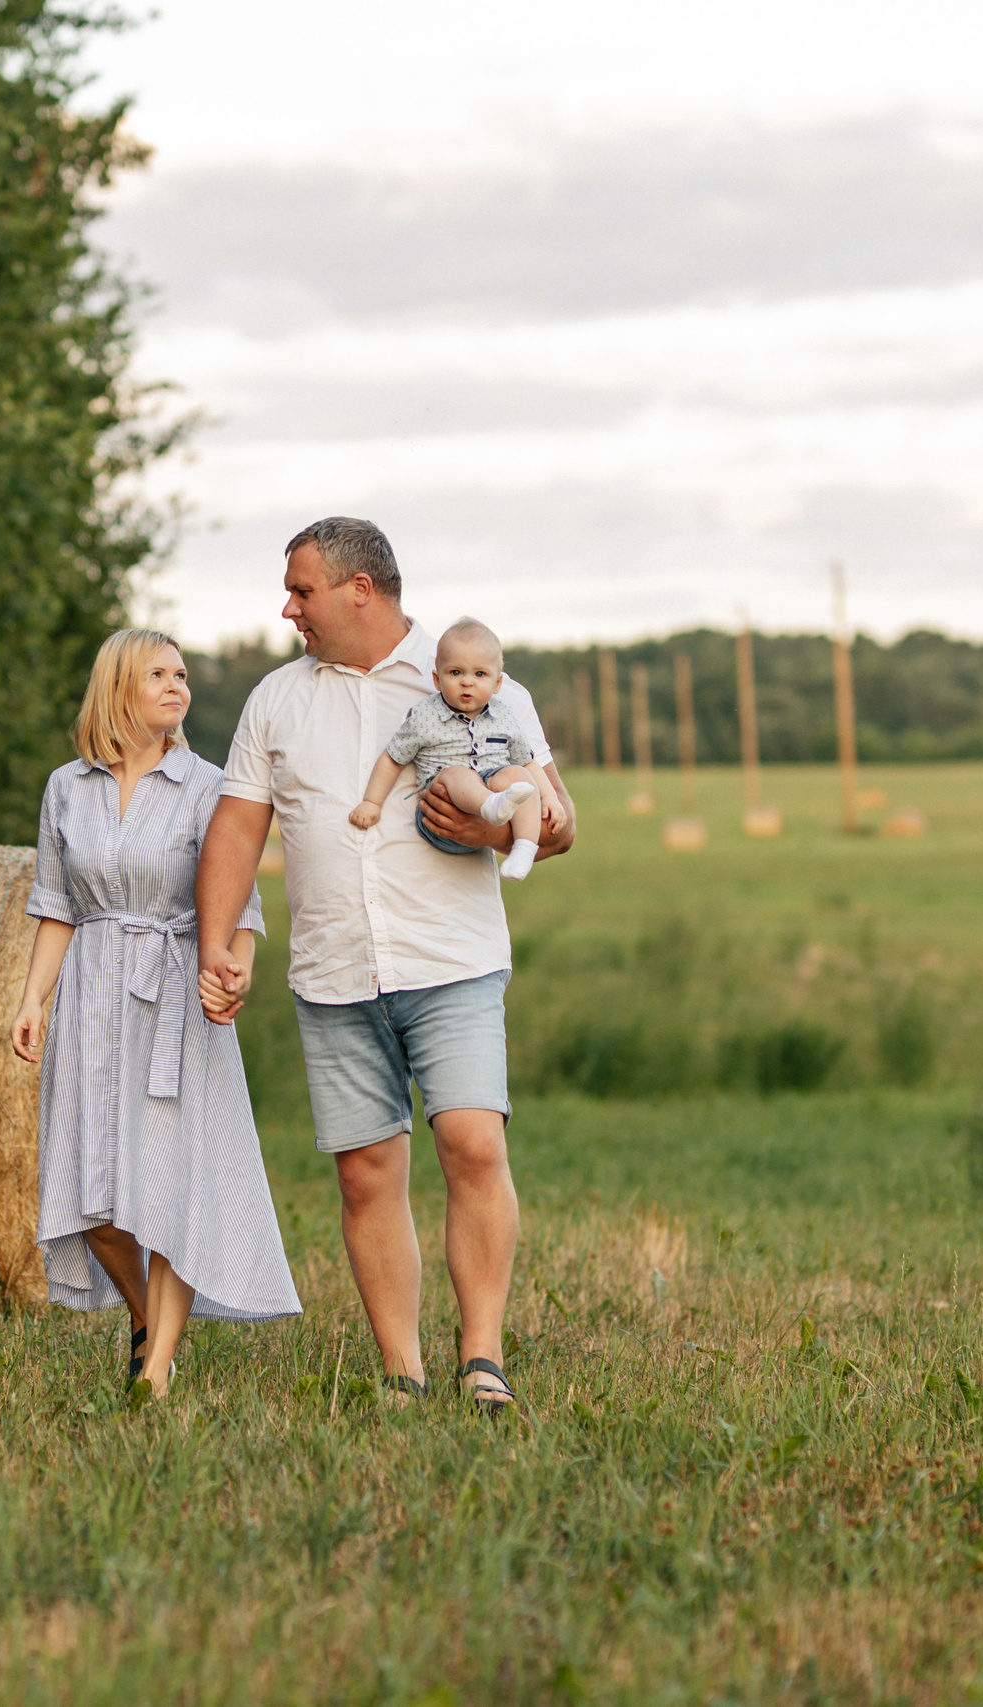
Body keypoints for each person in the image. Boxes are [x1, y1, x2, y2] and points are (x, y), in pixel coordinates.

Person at [193, 519, 576, 1415]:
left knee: (473, 1143)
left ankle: (482, 1357)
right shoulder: (275, 700)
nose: (289, 608)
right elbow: (240, 825)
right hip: (333, 969)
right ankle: (400, 1368)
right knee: (366, 1172)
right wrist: (218, 942)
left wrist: (493, 828)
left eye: (302, 590)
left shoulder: (475, 680)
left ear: (360, 589)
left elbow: (560, 820)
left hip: (452, 960)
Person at [10, 628, 301, 1404]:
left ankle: (157, 1372)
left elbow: (244, 901)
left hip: (175, 988)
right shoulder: (65, 788)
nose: (178, 687)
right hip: (90, 991)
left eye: (181, 674)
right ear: (118, 689)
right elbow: (55, 905)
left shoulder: (209, 786)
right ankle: (146, 1318)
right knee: (89, 1193)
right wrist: (32, 997)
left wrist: (232, 965)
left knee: (170, 1187)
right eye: (158, 675)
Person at [347, 616, 552, 880]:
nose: (467, 682)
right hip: (441, 809)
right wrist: (371, 803)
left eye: (480, 674)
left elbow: (528, 762)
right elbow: (392, 758)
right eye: (456, 672)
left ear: (497, 683)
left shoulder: (505, 717)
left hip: (491, 806)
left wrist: (549, 798)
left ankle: (523, 850)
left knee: (518, 776)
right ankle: (491, 805)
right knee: (458, 774)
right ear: (437, 678)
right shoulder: (424, 716)